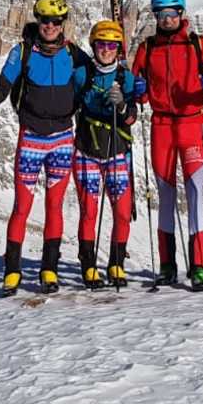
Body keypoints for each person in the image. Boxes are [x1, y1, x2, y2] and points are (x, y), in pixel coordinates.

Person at [0, 0, 90, 296]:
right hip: (31, 137)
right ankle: (12, 272)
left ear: (63, 23)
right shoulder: (23, 51)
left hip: (62, 139)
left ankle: (49, 270)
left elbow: (93, 80)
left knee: (55, 206)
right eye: (44, 20)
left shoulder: (73, 53)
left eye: (56, 21)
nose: (50, 26)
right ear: (37, 21)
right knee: (22, 207)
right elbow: (5, 82)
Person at [131, 0, 203, 290]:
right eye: (160, 14)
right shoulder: (147, 48)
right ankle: (167, 266)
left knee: (194, 192)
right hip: (162, 125)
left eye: (171, 13)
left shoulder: (199, 45)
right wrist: (138, 90)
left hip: (191, 123)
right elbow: (137, 91)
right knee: (165, 194)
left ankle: (199, 266)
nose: (166, 19)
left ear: (181, 13)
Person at [72, 20, 143, 289]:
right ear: (94, 46)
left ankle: (116, 264)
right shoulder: (82, 74)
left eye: (112, 45)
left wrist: (123, 106)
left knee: (122, 212)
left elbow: (133, 115)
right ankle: (88, 266)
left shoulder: (126, 78)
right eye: (101, 44)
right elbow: (68, 102)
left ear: (118, 49)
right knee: (89, 211)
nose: (106, 50)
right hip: (87, 151)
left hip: (117, 152)